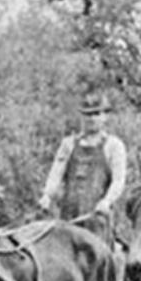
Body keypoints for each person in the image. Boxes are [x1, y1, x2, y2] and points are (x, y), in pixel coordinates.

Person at [37, 91, 128, 241]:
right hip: (69, 219)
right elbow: (56, 174)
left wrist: (106, 201)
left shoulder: (114, 146)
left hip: (97, 220)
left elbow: (118, 181)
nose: (91, 119)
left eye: (96, 114)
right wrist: (47, 196)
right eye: (87, 114)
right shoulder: (68, 144)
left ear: (105, 116)